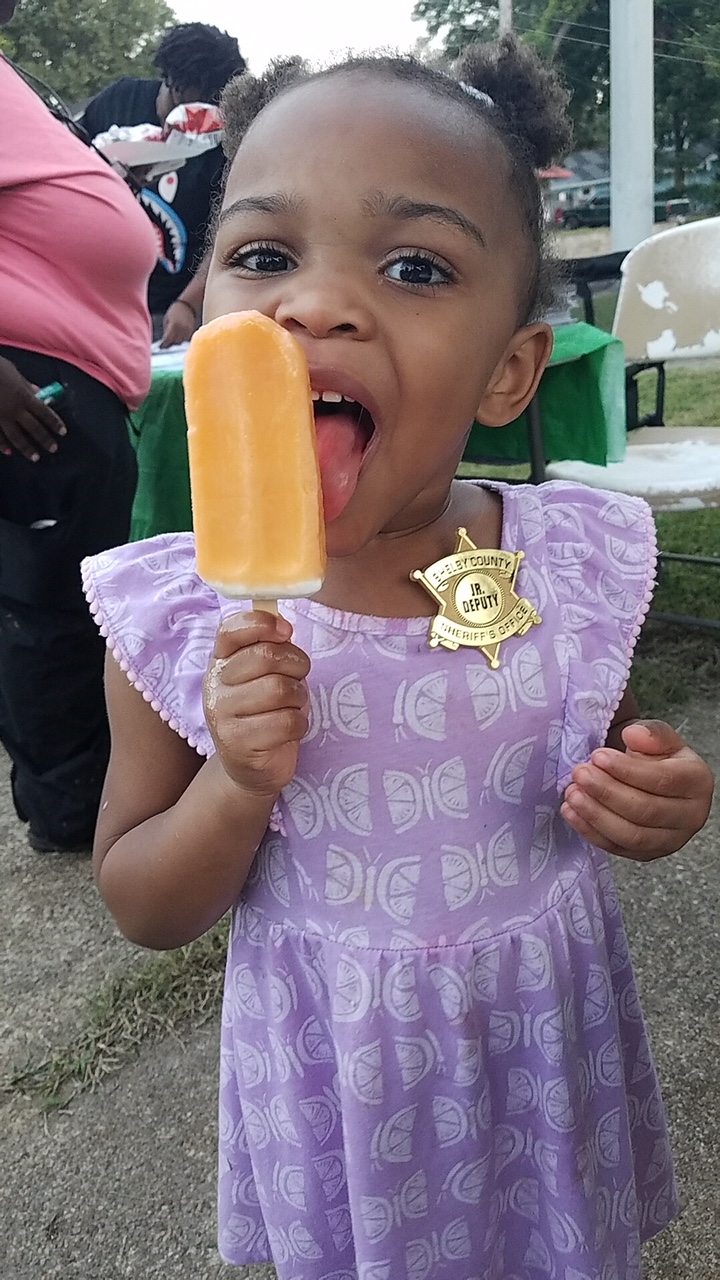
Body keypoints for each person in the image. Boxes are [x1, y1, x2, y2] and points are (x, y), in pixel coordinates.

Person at [82, 38, 714, 1278]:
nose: (314, 304)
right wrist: (238, 783)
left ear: (508, 371)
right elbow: (142, 899)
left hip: (539, 1048)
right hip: (348, 1082)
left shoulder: (568, 562)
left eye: (415, 265)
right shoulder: (181, 615)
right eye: (263, 255)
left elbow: (601, 740)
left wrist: (655, 793)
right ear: (196, 311)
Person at [0, 2, 157, 853]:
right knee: (48, 598)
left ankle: (77, 784)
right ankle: (68, 808)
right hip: (26, 380)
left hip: (69, 374)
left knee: (69, 588)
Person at [79, 23, 246, 347]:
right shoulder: (119, 100)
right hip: (93, 300)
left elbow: (226, 229)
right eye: (191, 104)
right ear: (174, 82)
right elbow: (65, 158)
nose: (196, 118)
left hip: (169, 313)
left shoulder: (222, 142)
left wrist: (188, 303)